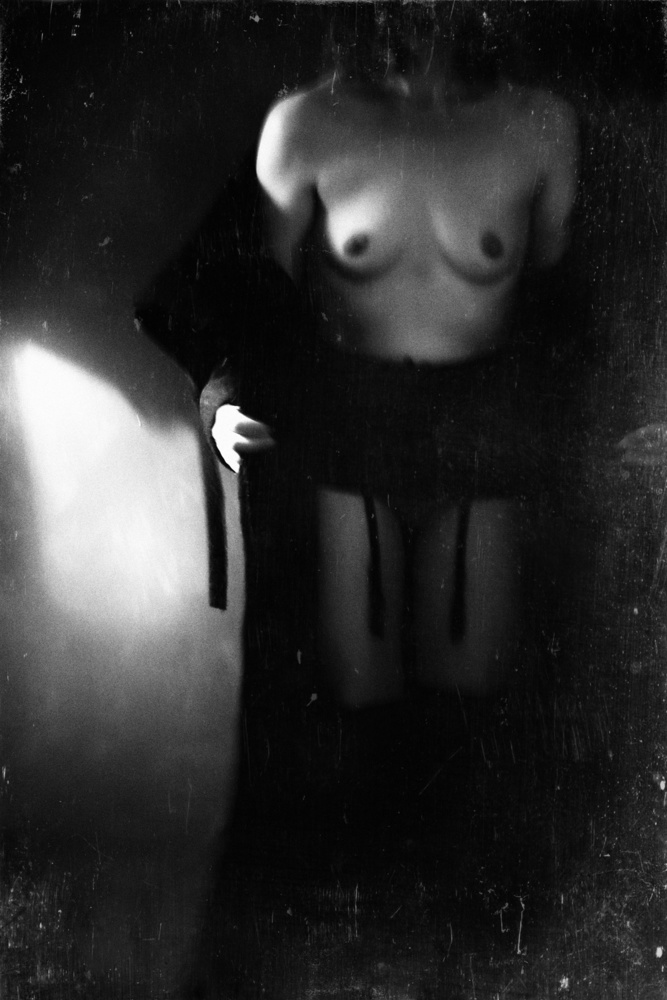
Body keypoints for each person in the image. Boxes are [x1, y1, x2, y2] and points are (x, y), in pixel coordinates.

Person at [211, 7, 579, 723]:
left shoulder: (539, 126)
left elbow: (565, 306)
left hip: (479, 434)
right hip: (351, 430)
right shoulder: (306, 123)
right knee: (355, 705)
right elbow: (252, 299)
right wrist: (222, 398)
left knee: (472, 711)